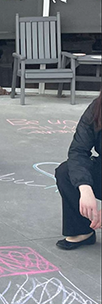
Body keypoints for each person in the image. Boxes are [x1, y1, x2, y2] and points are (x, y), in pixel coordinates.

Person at [55, 89, 101, 250]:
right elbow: (78, 151)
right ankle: (82, 230)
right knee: (66, 171)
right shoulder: (97, 108)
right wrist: (85, 187)